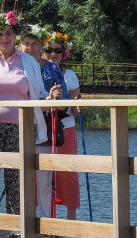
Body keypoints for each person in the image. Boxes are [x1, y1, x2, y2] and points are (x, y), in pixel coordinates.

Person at [0, 12, 61, 238]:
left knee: (17, 179)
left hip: (21, 127)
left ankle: (18, 228)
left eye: (9, 34)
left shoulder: (28, 61)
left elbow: (38, 94)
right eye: (0, 34)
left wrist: (50, 96)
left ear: (15, 36)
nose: (4, 38)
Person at [42, 31, 83, 220]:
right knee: (42, 172)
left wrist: (79, 105)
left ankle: (71, 219)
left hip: (65, 127)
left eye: (58, 50)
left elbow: (75, 108)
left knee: (68, 172)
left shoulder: (71, 75)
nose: (53, 53)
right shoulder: (37, 70)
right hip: (43, 125)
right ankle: (46, 217)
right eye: (49, 49)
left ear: (63, 53)